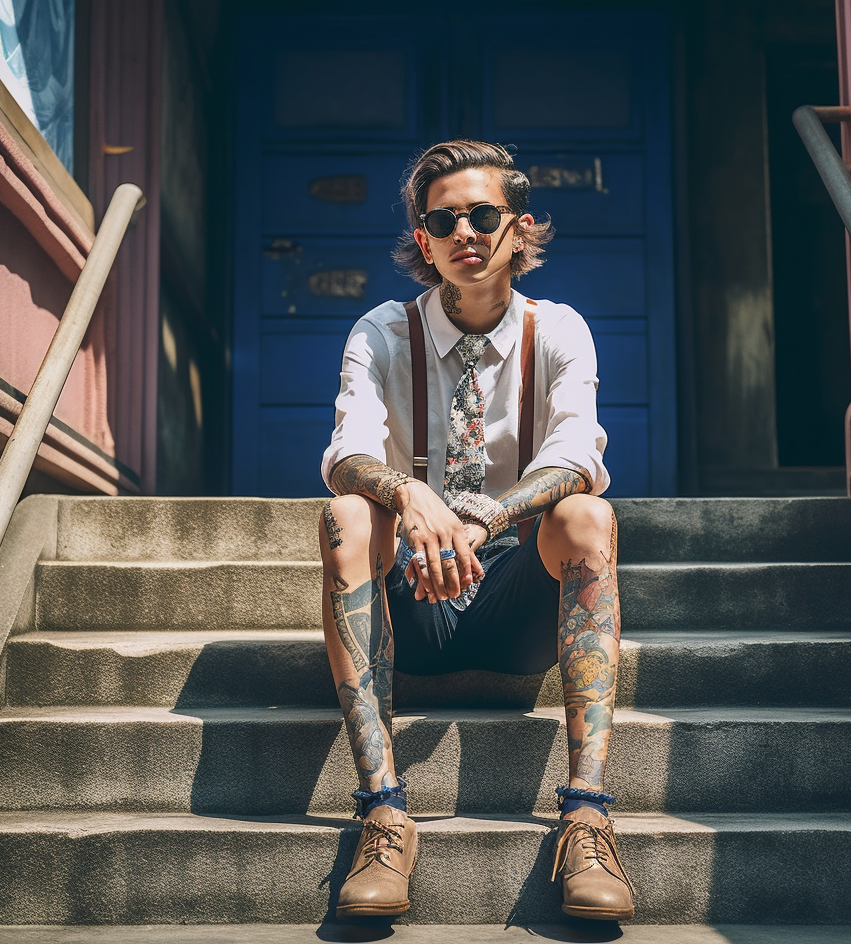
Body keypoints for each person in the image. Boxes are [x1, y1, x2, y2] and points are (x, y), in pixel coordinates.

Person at [319, 140, 632, 922]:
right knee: (348, 513)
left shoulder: (557, 330)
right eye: (442, 220)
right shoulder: (383, 332)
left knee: (588, 515)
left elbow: (577, 455)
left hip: (516, 601)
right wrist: (411, 496)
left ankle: (587, 817)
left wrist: (488, 512)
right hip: (413, 600)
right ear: (423, 241)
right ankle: (383, 813)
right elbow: (347, 452)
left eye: (483, 216)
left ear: (519, 229)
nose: (464, 232)